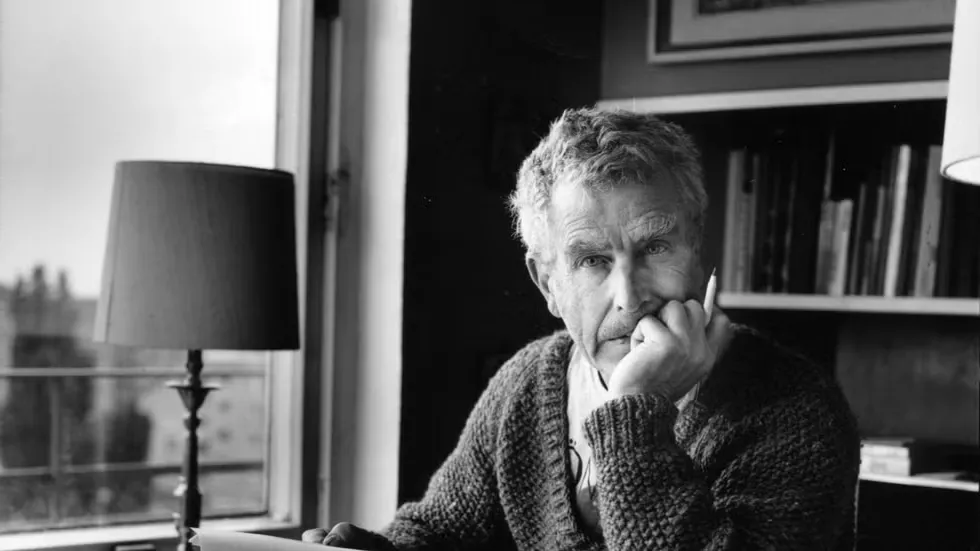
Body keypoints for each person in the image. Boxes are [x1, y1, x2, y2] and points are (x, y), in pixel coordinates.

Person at [303, 108, 860, 550]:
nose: (630, 296)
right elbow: (441, 530)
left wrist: (636, 410)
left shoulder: (795, 409)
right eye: (592, 260)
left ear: (697, 251)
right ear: (547, 284)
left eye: (655, 247)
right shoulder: (529, 383)